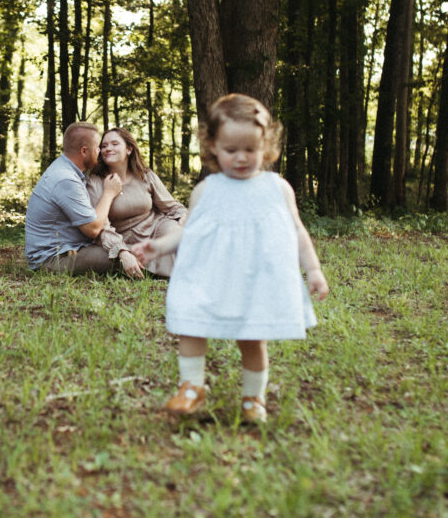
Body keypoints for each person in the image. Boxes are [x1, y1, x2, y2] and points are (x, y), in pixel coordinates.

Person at [133, 93, 330, 423]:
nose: (241, 158)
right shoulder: (206, 190)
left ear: (265, 146)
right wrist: (159, 246)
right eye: (231, 150)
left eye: (250, 150)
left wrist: (314, 269)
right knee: (191, 325)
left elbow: (296, 230)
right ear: (212, 146)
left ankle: (254, 398)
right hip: (211, 276)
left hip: (255, 278)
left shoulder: (276, 188)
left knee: (251, 337)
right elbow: (188, 231)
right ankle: (191, 388)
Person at [85, 128, 187, 278]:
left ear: (129, 149)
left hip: (156, 230)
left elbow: (172, 207)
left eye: (114, 144)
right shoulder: (96, 182)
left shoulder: (145, 175)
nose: (108, 149)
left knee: (173, 231)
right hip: (125, 241)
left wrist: (184, 217)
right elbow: (102, 227)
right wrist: (122, 251)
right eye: (105, 145)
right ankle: (163, 270)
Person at [24, 122, 124, 274]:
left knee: (123, 248)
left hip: (68, 249)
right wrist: (109, 193)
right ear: (84, 151)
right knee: (121, 255)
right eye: (98, 147)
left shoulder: (68, 169)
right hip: (51, 259)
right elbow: (93, 229)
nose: (101, 152)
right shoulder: (66, 179)